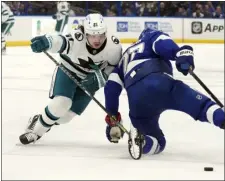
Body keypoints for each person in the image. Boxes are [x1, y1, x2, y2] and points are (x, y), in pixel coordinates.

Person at [103, 28, 225, 155]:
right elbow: (161, 43)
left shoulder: (122, 60)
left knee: (158, 142)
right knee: (202, 107)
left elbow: (111, 88)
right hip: (158, 82)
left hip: (137, 100)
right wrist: (178, 53)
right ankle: (221, 117)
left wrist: (113, 119)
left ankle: (143, 141)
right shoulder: (150, 37)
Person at [19, 13, 122, 145]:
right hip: (68, 71)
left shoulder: (114, 46)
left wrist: (101, 78)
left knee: (66, 117)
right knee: (61, 103)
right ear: (85, 33)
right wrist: (47, 42)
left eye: (101, 35)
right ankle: (35, 133)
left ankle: (39, 119)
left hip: (91, 80)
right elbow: (60, 42)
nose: (97, 40)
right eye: (92, 35)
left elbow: (114, 69)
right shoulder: (77, 37)